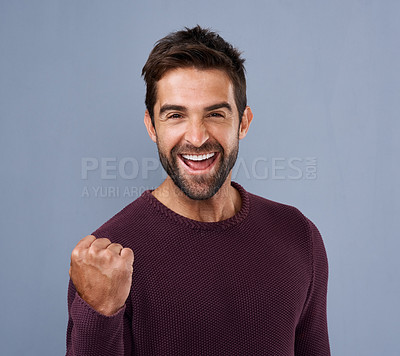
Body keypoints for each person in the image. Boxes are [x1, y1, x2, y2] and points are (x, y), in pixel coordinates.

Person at [66, 25, 331, 355]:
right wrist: (98, 315)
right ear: (151, 126)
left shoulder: (297, 235)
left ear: (243, 122)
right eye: (176, 115)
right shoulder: (107, 260)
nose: (196, 137)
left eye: (215, 114)